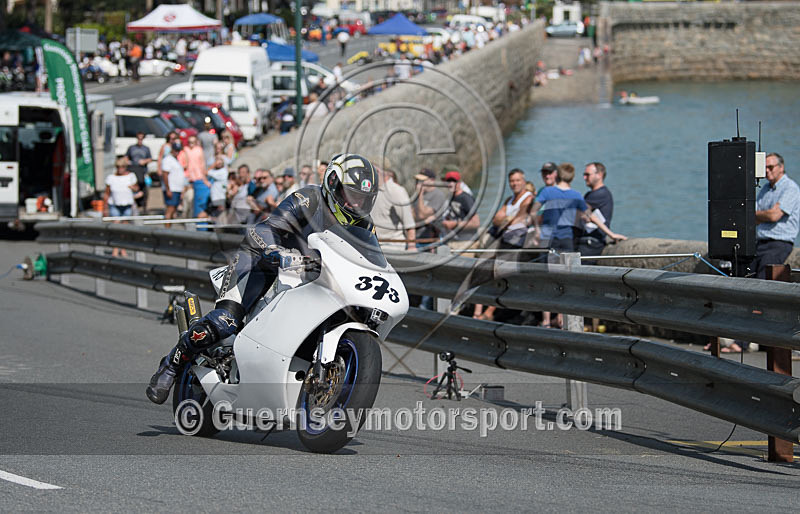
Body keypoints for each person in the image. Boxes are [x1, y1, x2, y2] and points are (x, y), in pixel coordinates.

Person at [146, 153, 380, 404]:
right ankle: (170, 365)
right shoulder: (309, 199)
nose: (357, 204)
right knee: (226, 321)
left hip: (311, 277)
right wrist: (275, 251)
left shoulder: (365, 226)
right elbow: (267, 228)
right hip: (262, 262)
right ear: (333, 185)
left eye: (363, 199)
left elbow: (370, 260)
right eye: (352, 195)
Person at [753, 153, 800, 279]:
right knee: (743, 273)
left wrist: (762, 215)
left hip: (779, 244)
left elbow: (774, 215)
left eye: (771, 167)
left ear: (781, 167)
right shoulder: (765, 189)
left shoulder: (790, 188)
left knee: (763, 278)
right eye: (765, 168)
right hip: (759, 242)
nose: (767, 171)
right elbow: (751, 218)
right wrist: (765, 214)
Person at [577, 162, 615, 264]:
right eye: (584, 175)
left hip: (592, 243)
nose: (584, 177)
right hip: (588, 241)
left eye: (587, 174)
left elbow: (582, 213)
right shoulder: (591, 194)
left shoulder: (600, 194)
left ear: (599, 175)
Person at [103, 156, 139, 257]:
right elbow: (107, 193)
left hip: (127, 205)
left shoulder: (131, 176)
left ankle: (123, 249)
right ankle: (115, 249)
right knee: (116, 227)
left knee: (124, 229)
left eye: (122, 167)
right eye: (118, 167)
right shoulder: (111, 178)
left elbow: (137, 188)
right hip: (115, 205)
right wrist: (104, 208)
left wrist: (133, 187)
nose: (120, 169)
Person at [373, 167, 416, 250]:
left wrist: (412, 247)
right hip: (373, 245)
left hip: (392, 248)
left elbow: (409, 223)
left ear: (378, 171)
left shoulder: (396, 191)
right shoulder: (371, 189)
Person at [490, 169, 533, 249]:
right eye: (512, 181)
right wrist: (508, 220)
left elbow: (516, 222)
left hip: (518, 237)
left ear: (524, 181)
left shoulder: (529, 198)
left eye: (518, 180)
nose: (515, 184)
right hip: (504, 234)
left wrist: (505, 220)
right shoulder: (509, 200)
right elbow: (495, 220)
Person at [442, 170, 479, 247]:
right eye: (448, 181)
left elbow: (476, 223)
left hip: (467, 241)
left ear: (459, 183)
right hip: (454, 240)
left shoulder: (465, 198)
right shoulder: (451, 198)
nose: (451, 184)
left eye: (454, 181)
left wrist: (454, 224)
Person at [413, 168, 448, 245]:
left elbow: (422, 215)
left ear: (432, 180)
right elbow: (412, 214)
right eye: (417, 180)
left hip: (432, 239)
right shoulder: (418, 196)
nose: (418, 183)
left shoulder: (438, 195)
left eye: (422, 181)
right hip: (417, 237)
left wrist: (420, 194)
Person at [180, 136, 211, 219]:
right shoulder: (185, 150)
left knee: (194, 199)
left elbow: (202, 164)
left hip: (198, 177)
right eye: (190, 142)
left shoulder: (199, 150)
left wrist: (204, 176)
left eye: (193, 142)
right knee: (187, 198)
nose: (191, 144)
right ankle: (185, 214)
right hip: (187, 176)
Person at [125, 132, 152, 213]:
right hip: (133, 170)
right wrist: (128, 162)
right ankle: (133, 205)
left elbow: (150, 158)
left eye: (141, 138)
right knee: (133, 188)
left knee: (144, 189)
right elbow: (126, 157)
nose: (140, 140)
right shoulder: (131, 148)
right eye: (138, 138)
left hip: (142, 171)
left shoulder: (146, 148)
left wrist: (144, 161)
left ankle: (144, 207)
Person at [161, 141, 185, 225]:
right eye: (176, 150)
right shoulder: (168, 159)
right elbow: (165, 175)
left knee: (173, 210)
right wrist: (168, 189)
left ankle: (169, 229)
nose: (177, 152)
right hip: (172, 189)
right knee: (170, 210)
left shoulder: (176, 159)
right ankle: (166, 232)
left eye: (179, 150)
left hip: (176, 189)